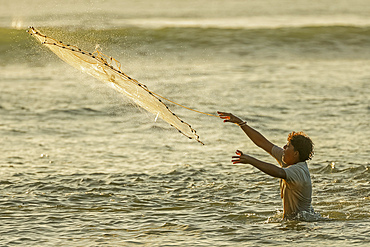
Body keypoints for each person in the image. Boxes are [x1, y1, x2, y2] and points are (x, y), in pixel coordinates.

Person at [218, 111, 315, 220]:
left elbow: (278, 172)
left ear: (296, 153)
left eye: (287, 146)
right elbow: (263, 143)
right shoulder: (288, 159)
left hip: (304, 222)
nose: (283, 147)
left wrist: (252, 161)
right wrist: (240, 123)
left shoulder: (299, 170)